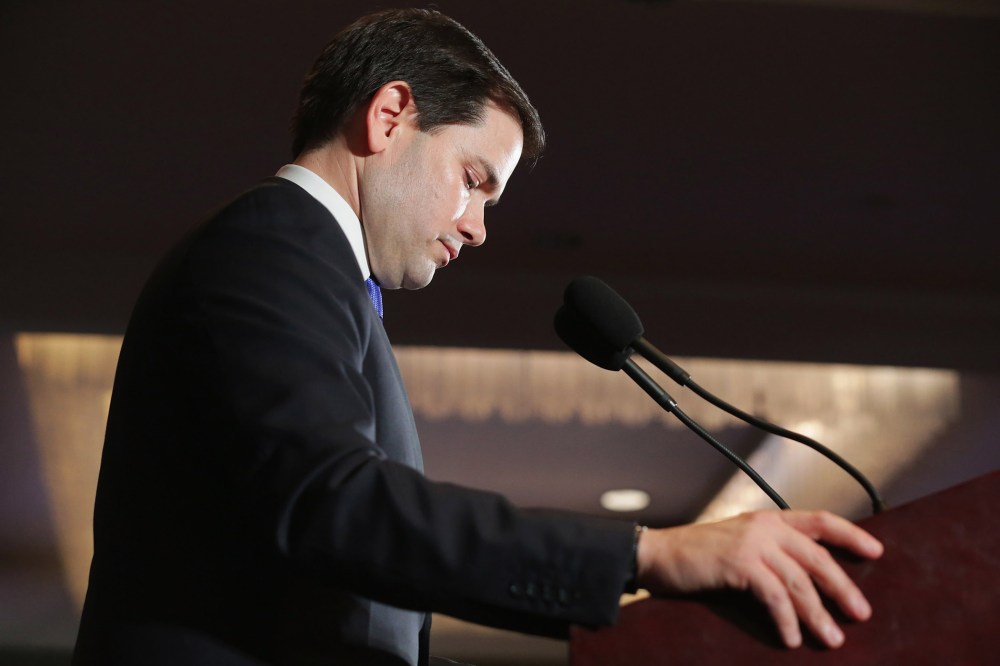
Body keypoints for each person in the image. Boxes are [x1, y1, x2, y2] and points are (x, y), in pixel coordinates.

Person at [72, 8, 883, 666]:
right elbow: (332, 504)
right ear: (389, 116)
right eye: (473, 181)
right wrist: (649, 556)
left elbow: (337, 592)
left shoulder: (314, 273)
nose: (478, 228)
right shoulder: (272, 245)